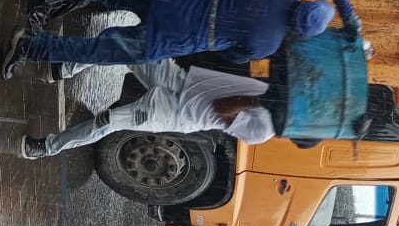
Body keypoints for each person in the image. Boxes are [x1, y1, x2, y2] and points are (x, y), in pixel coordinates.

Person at [1, 0, 360, 79]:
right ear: (299, 32)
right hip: (171, 37)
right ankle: (30, 46)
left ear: (307, 0)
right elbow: (231, 56)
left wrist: (351, 19)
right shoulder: (267, 44)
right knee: (97, 51)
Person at [19, 58, 275, 160]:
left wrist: (259, 102)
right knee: (124, 46)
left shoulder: (262, 130)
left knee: (107, 121)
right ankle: (62, 69)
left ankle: (46, 147)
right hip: (180, 80)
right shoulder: (273, 91)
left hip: (174, 112)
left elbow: (222, 107)